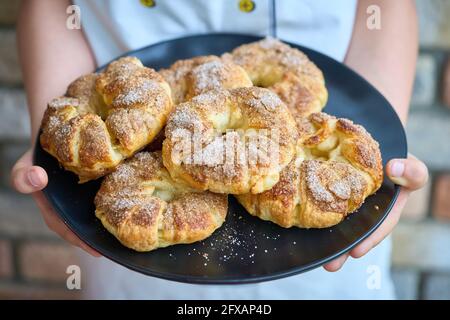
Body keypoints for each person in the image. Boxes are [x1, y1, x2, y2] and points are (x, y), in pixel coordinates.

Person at [11, 0, 428, 299]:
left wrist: (386, 133)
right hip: (128, 262)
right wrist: (54, 139)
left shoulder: (275, 113)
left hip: (327, 272)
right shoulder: (194, 114)